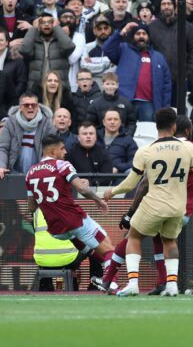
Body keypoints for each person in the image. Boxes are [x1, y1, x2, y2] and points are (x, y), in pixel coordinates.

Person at [103, 108, 193, 297]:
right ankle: (172, 285)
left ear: (157, 127)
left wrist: (112, 191)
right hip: (178, 208)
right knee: (169, 241)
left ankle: (133, 283)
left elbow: (132, 183)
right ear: (174, 127)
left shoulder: (146, 151)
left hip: (153, 205)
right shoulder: (189, 148)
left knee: (133, 237)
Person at [25, 134, 114, 283]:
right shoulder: (63, 165)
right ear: (53, 152)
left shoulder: (30, 173)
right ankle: (111, 282)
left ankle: (102, 273)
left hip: (55, 230)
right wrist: (98, 200)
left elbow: (32, 207)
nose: (65, 152)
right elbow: (83, 190)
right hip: (73, 220)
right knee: (109, 248)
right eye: (62, 148)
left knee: (87, 245)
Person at [102, 23, 172, 121]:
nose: (141, 36)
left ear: (148, 37)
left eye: (144, 33)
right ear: (133, 36)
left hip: (149, 104)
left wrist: (165, 108)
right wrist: (121, 32)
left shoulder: (158, 57)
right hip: (125, 102)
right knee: (125, 133)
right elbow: (106, 49)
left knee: (147, 134)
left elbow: (167, 85)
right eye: (138, 33)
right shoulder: (124, 50)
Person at [0, 93, 56, 178]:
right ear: (20, 107)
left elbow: (53, 149)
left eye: (33, 105)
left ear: (38, 107)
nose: (30, 107)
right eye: (26, 105)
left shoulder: (47, 124)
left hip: (39, 174)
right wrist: (1, 166)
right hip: (14, 173)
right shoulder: (10, 122)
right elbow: (3, 148)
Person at [19, 13, 76, 95]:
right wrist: (33, 28)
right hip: (36, 88)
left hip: (59, 88)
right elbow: (24, 50)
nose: (46, 24)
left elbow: (69, 46)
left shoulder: (60, 41)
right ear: (38, 25)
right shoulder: (33, 41)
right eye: (42, 22)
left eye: (50, 22)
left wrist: (57, 27)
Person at [66, 122, 113, 186]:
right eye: (85, 134)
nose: (88, 136)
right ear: (78, 137)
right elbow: (66, 175)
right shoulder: (70, 153)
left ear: (96, 137)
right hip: (74, 189)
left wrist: (90, 182)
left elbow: (107, 177)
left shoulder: (103, 153)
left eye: (91, 134)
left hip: (97, 190)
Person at [98, 109, 138, 174]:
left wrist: (117, 168)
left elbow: (135, 162)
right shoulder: (95, 138)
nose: (112, 122)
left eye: (116, 119)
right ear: (103, 122)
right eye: (109, 119)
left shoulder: (128, 140)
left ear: (120, 122)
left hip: (119, 177)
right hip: (96, 176)